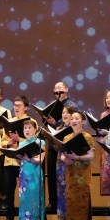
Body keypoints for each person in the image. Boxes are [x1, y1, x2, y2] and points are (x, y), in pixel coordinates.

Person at [59, 111, 94, 220]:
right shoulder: (67, 137)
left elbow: (91, 156)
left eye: (77, 118)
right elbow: (62, 154)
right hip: (71, 173)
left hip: (82, 174)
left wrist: (77, 157)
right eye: (72, 118)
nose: (73, 120)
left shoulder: (87, 137)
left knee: (81, 202)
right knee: (71, 202)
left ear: (83, 121)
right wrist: (65, 159)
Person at [44, 81, 77, 211]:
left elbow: (74, 123)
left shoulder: (72, 105)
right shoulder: (53, 106)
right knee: (51, 174)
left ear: (66, 89)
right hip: (54, 144)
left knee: (65, 175)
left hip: (67, 146)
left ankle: (66, 202)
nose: (57, 90)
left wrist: (55, 122)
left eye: (60, 87)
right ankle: (52, 201)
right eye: (55, 88)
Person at [12, 118, 45, 220]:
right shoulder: (21, 144)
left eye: (30, 127)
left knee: (34, 201)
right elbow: (19, 162)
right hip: (24, 175)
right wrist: (17, 157)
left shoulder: (40, 142)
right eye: (25, 128)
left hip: (34, 175)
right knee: (24, 202)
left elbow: (40, 159)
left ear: (35, 129)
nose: (27, 130)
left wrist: (28, 159)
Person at [0, 95, 30, 220]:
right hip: (10, 160)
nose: (16, 108)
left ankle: (25, 217)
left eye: (19, 106)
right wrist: (9, 143)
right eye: (15, 105)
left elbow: (34, 141)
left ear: (26, 107)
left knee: (25, 190)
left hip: (25, 161)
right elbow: (2, 142)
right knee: (9, 190)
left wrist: (19, 140)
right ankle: (9, 216)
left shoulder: (31, 122)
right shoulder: (9, 122)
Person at [54, 105, 75, 220]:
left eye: (67, 112)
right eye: (63, 112)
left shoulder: (75, 128)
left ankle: (71, 219)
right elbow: (56, 148)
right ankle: (62, 218)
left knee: (70, 189)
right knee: (61, 189)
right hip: (60, 161)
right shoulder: (59, 128)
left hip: (72, 160)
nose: (65, 114)